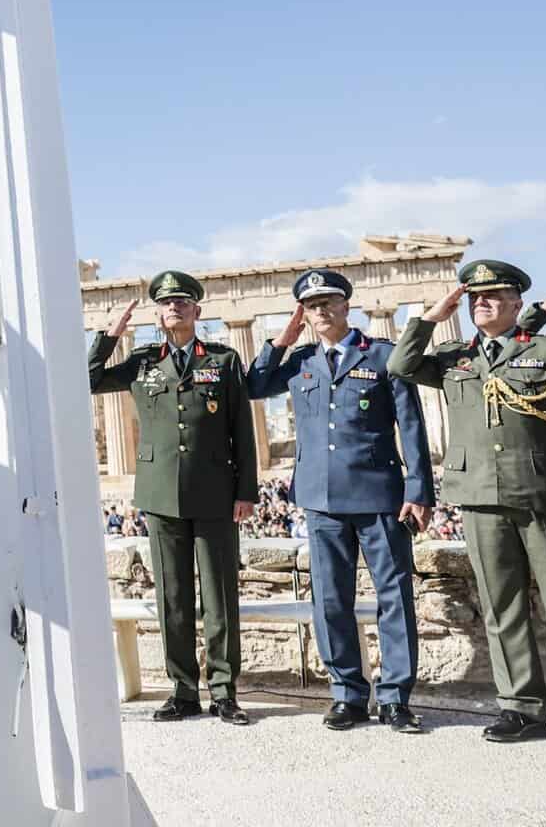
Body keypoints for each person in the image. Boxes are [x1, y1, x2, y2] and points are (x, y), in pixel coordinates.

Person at [246, 268, 433, 732]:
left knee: (394, 596)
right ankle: (347, 694)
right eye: (312, 306)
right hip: (321, 497)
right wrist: (282, 340)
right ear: (304, 315)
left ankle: (395, 697)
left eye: (329, 302)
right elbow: (255, 386)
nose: (321, 311)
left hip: (379, 495)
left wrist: (419, 490)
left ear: (346, 306)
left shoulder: (382, 355)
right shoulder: (301, 361)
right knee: (330, 600)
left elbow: (411, 426)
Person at [388, 259, 546, 743]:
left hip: (540, 493)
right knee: (501, 606)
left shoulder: (544, 349)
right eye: (474, 297)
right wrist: (432, 316)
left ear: (517, 302)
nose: (480, 302)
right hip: (480, 494)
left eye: (493, 295)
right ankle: (521, 708)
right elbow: (400, 365)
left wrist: (542, 316)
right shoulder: (453, 357)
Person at [87, 270, 258, 726]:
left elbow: (241, 430)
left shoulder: (222, 360)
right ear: (157, 315)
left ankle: (224, 691)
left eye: (182, 301)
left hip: (215, 492)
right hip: (161, 493)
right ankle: (183, 690)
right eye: (166, 303)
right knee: (173, 598)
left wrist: (246, 491)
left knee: (220, 599)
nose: (174, 308)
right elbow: (86, 381)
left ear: (196, 310)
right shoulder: (142, 362)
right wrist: (108, 339)